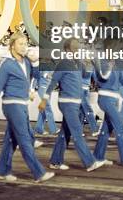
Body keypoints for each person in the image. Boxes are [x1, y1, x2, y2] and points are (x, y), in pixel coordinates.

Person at [0, 33, 54, 184]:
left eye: (25, 43)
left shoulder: (26, 62)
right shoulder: (6, 64)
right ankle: (38, 172)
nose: (24, 46)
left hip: (22, 104)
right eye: (21, 44)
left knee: (11, 139)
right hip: (11, 104)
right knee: (24, 138)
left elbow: (36, 75)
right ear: (12, 46)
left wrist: (35, 63)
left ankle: (2, 171)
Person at [39, 39, 106, 172]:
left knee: (65, 133)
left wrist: (92, 61)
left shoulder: (78, 64)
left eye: (79, 47)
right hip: (67, 103)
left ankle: (55, 161)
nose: (78, 50)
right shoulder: (63, 63)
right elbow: (53, 83)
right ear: (68, 50)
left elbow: (88, 75)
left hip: (76, 102)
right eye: (75, 48)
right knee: (77, 132)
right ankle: (90, 162)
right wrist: (44, 100)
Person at [92, 55, 123, 167]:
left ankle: (98, 158)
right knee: (119, 127)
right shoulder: (102, 62)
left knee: (106, 130)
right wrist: (110, 65)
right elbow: (102, 77)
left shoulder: (117, 62)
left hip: (112, 99)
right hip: (105, 98)